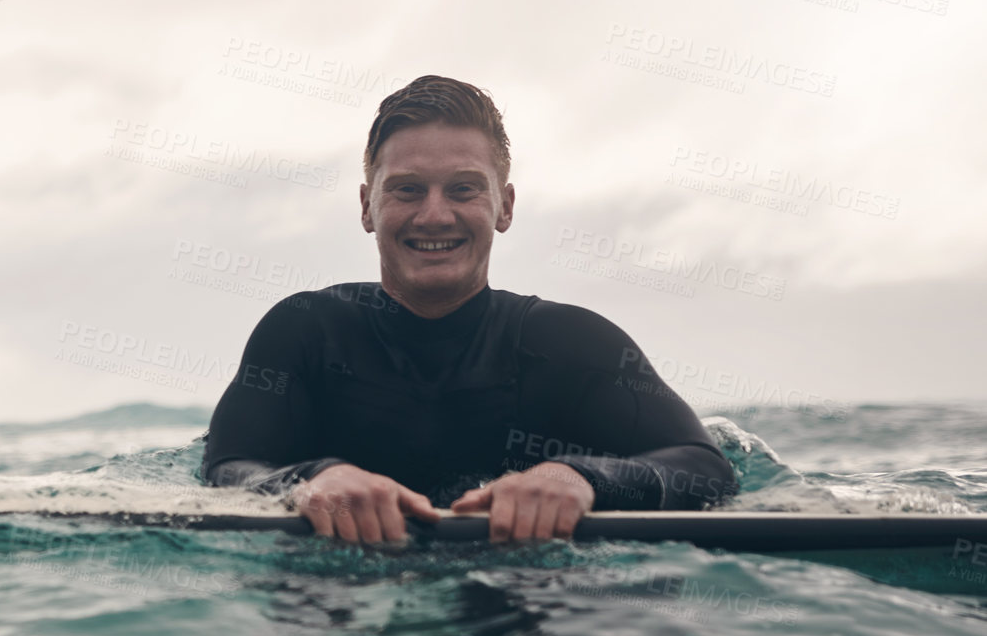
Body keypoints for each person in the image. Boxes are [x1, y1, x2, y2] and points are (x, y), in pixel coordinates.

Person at [201, 75, 737, 544]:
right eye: (408, 190)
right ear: (367, 206)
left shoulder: (573, 344)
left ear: (504, 206)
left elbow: (705, 468)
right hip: (342, 590)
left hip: (529, 596)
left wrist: (578, 478)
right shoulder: (305, 333)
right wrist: (313, 480)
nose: (435, 216)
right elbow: (227, 467)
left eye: (463, 189)